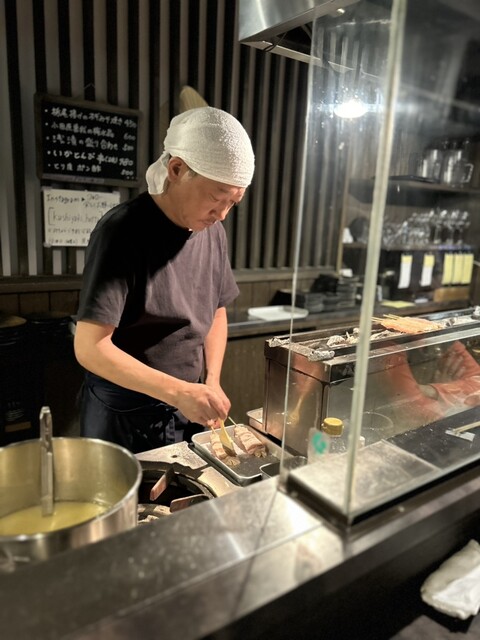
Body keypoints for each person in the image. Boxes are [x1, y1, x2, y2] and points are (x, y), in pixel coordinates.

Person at [74, 107, 255, 452]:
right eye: (216, 198)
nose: (222, 214)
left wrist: (212, 381)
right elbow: (89, 348)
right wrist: (179, 392)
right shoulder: (122, 231)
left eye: (233, 202)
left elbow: (216, 310)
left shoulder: (213, 231)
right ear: (177, 169)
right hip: (124, 413)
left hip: (186, 404)